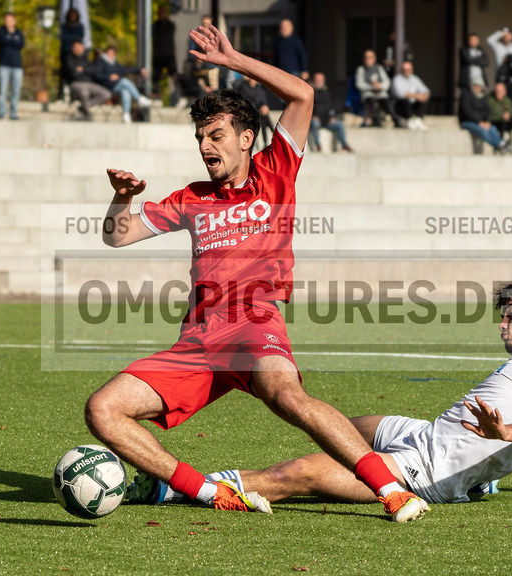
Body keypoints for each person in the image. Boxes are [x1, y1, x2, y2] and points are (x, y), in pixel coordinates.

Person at [93, 23, 428, 522]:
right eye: (201, 137)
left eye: (217, 135)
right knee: (102, 410)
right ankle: (206, 491)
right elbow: (116, 235)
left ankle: (391, 490)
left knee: (291, 399)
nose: (207, 145)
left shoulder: (276, 170)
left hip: (253, 324)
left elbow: (303, 94)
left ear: (247, 138)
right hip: (199, 340)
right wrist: (122, 198)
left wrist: (233, 61)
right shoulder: (191, 197)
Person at [134, 280, 512, 507]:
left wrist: (506, 435)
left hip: (428, 471)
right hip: (424, 435)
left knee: (297, 474)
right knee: (357, 425)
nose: (502, 322)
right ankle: (476, 480)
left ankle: (174, 489)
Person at [95, 45, 152, 124]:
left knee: (125, 91)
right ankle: (139, 98)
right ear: (106, 52)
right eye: (109, 53)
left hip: (116, 86)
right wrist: (108, 77)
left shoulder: (115, 63)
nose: (111, 55)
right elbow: (97, 75)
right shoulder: (101, 62)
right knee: (124, 81)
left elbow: (126, 69)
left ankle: (126, 114)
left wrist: (139, 69)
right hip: (106, 85)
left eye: (112, 53)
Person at [63, 40, 111, 121]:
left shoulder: (86, 59)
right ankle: (88, 114)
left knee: (106, 94)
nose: (78, 49)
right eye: (76, 47)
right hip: (75, 84)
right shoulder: (69, 58)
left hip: (89, 83)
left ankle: (83, 107)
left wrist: (82, 69)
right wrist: (84, 71)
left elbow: (93, 71)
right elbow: (73, 73)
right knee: (84, 92)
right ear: (72, 48)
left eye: (80, 46)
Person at [309, 72, 352, 152]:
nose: (319, 81)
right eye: (317, 79)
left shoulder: (327, 93)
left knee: (340, 124)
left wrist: (332, 117)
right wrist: (313, 116)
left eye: (321, 79)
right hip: (315, 120)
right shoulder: (310, 92)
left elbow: (332, 107)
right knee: (315, 123)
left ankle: (344, 145)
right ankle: (318, 145)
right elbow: (307, 107)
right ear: (314, 80)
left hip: (326, 120)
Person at [460, 78, 504, 153]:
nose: (478, 88)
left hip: (482, 122)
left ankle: (501, 144)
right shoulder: (466, 95)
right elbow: (468, 112)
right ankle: (498, 146)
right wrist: (479, 122)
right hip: (468, 122)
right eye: (476, 86)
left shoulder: (484, 96)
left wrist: (487, 121)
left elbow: (488, 110)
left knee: (493, 128)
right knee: (483, 131)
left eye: (480, 86)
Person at [231, 75, 274, 148]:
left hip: (260, 111)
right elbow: (234, 85)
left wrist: (265, 106)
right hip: (250, 110)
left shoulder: (259, 88)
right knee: (263, 118)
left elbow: (263, 99)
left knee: (264, 117)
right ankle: (269, 138)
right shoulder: (244, 87)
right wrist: (244, 78)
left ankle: (267, 140)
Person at [0, 12, 25, 121]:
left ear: (14, 21)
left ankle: (13, 113)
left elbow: (21, 44)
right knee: (2, 91)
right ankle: (1, 113)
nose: (7, 22)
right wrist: (13, 40)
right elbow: (3, 41)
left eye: (9, 20)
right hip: (4, 65)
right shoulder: (1, 32)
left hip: (17, 66)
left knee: (16, 91)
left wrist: (9, 40)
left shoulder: (19, 33)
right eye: (6, 20)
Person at [487, 27, 512, 104]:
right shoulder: (498, 46)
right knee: (499, 101)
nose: (506, 37)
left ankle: (510, 116)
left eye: (508, 35)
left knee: (511, 101)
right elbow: (489, 40)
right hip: (501, 79)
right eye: (504, 36)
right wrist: (500, 33)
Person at [355, 50, 393, 127]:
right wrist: (372, 87)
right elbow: (359, 84)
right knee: (372, 102)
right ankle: (375, 121)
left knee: (388, 102)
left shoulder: (379, 68)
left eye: (370, 57)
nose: (368, 59)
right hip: (368, 94)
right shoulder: (361, 69)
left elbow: (387, 82)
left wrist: (380, 86)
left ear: (374, 58)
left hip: (381, 94)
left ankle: (394, 119)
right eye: (366, 57)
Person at [391, 61, 430, 130]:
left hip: (413, 104)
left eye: (408, 69)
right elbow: (400, 94)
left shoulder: (415, 79)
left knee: (424, 99)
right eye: (404, 69)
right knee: (405, 100)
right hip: (401, 106)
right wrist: (416, 95)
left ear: (412, 70)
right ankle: (409, 120)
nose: (406, 71)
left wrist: (421, 96)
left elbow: (426, 91)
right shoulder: (397, 79)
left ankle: (418, 120)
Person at [490, 81, 512, 155]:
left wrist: (508, 115)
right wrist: (502, 115)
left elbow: (511, 112)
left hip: (506, 122)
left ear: (504, 92)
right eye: (497, 91)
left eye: (500, 91)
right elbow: (491, 113)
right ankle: (501, 145)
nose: (498, 92)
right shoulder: (490, 99)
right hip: (495, 122)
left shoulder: (507, 100)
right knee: (502, 122)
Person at [58, 8, 85, 97]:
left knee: (75, 72)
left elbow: (79, 38)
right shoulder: (64, 26)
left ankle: (74, 97)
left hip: (76, 54)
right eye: (71, 15)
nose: (72, 16)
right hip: (65, 52)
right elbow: (63, 38)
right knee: (64, 73)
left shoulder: (80, 26)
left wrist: (71, 38)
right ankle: (60, 95)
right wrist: (73, 37)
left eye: (74, 15)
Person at [152, 4, 177, 94]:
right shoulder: (154, 25)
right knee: (156, 76)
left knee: (173, 75)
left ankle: (178, 94)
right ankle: (157, 94)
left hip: (168, 54)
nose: (161, 14)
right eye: (160, 12)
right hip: (158, 54)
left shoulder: (170, 25)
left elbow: (165, 36)